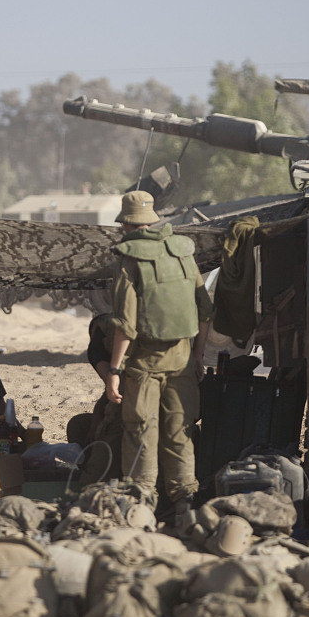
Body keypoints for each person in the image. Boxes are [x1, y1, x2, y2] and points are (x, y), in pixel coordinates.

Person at [105, 190, 213, 525]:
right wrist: (197, 356)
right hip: (182, 361)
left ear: (127, 224)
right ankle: (186, 509)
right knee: (180, 433)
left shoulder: (129, 258)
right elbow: (205, 312)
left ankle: (141, 507)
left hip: (144, 367)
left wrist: (114, 370)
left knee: (141, 432)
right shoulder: (182, 251)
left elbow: (125, 324)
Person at [74, 312, 125, 484]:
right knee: (79, 424)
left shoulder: (98, 352)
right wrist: (96, 421)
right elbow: (109, 393)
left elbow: (115, 393)